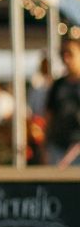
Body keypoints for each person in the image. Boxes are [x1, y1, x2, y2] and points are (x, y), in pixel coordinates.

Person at [45, 38, 80, 166]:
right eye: (63, 54)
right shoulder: (58, 85)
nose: (66, 59)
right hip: (58, 147)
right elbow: (49, 115)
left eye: (70, 53)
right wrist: (46, 146)